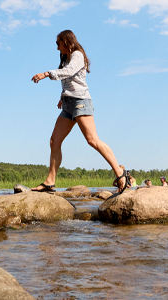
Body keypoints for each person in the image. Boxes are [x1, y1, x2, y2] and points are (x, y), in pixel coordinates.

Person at [29, 30, 132, 192]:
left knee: (92, 140)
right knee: (54, 140)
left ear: (66, 41)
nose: (57, 48)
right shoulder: (66, 58)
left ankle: (120, 173)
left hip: (81, 102)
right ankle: (50, 181)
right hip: (68, 104)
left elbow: (69, 72)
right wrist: (62, 97)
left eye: (58, 43)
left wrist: (46, 74)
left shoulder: (77, 55)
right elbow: (70, 80)